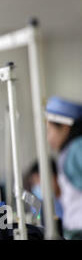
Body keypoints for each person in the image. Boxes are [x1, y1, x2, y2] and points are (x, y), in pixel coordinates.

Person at [45, 96, 82, 239]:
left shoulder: (76, 150)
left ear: (65, 127)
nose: (48, 139)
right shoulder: (70, 151)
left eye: (49, 131)